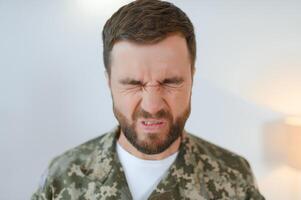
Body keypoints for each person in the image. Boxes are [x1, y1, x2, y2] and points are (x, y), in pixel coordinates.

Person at [32, 0, 265, 199]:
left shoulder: (234, 177)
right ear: (108, 82)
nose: (152, 106)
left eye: (170, 82)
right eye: (133, 84)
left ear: (192, 78)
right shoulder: (62, 177)